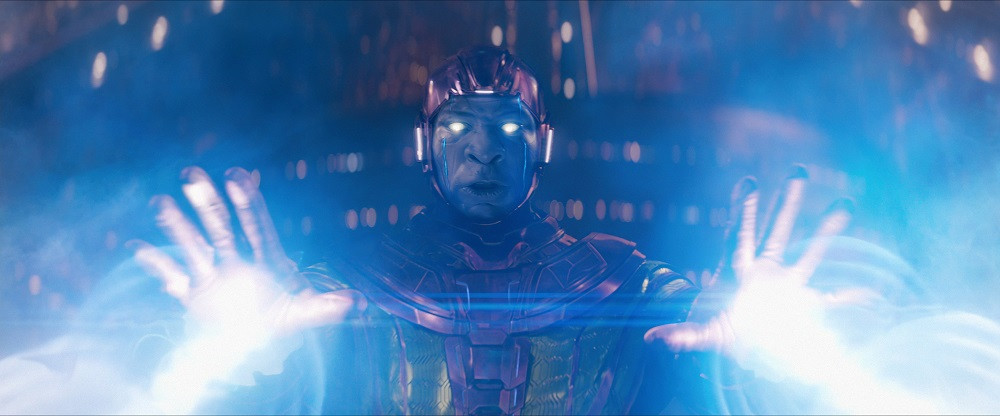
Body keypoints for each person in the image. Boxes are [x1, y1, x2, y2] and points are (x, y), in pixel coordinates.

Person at [132, 46, 851, 415]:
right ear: (426, 144)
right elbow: (266, 384)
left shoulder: (620, 278)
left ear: (540, 143)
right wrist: (236, 348)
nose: (483, 151)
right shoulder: (351, 282)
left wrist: (759, 342)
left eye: (508, 128)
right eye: (458, 129)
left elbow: (721, 354)